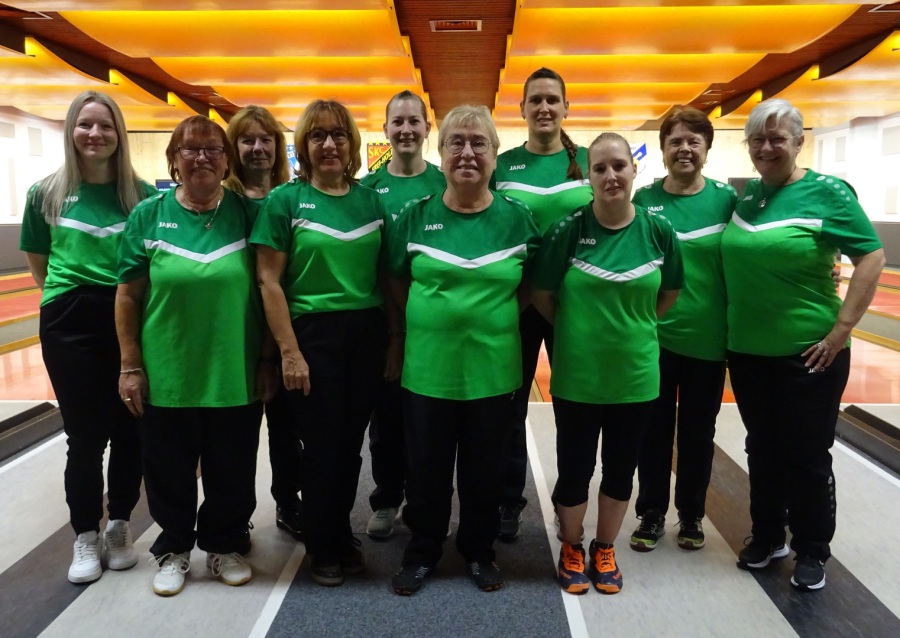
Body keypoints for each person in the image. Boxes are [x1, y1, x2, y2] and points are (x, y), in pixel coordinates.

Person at [722, 98, 884, 591]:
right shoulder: (749, 196)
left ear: (798, 142)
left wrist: (841, 330)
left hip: (810, 353)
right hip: (748, 352)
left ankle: (812, 548)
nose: (766, 148)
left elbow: (872, 257)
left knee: (808, 455)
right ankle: (769, 535)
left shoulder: (826, 192)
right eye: (757, 139)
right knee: (761, 447)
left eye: (777, 139)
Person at [116, 115, 275, 597]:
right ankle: (174, 549)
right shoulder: (148, 216)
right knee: (168, 469)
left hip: (233, 370)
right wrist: (130, 365)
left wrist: (267, 359)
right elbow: (128, 296)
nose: (201, 157)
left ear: (227, 161)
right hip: (168, 371)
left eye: (212, 149)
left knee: (233, 467)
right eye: (190, 149)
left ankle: (225, 544)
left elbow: (270, 289)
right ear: (173, 160)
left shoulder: (249, 214)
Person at [387, 105, 541, 596]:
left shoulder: (518, 219)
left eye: (479, 143)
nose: (467, 153)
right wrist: (427, 320)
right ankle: (422, 551)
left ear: (495, 155)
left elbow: (531, 287)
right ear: (441, 152)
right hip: (427, 373)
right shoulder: (415, 217)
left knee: (484, 473)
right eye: (456, 142)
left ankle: (478, 551)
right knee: (426, 472)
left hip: (493, 374)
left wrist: (488, 317)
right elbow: (396, 282)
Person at [532, 132, 683, 596]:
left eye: (619, 165)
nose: (611, 175)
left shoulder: (658, 231)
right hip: (578, 377)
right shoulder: (567, 230)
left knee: (621, 470)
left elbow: (669, 292)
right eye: (600, 168)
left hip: (636, 378)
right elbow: (542, 295)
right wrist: (578, 330)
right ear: (589, 177)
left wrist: (633, 327)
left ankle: (604, 548)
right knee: (575, 469)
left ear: (634, 169)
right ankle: (572, 545)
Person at [252, 100, 393, 587]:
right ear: (303, 146)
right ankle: (321, 543)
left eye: (338, 135)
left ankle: (339, 532)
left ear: (352, 143)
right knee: (321, 446)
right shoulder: (285, 201)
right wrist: (289, 352)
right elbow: (269, 282)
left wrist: (394, 339)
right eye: (317, 136)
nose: (329, 144)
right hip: (311, 335)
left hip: (365, 333)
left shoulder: (372, 201)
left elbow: (386, 278)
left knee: (350, 446)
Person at [19, 91, 155, 585]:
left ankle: (119, 525)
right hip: (69, 321)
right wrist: (68, 299)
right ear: (70, 131)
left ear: (119, 135)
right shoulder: (46, 194)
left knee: (129, 428)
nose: (94, 134)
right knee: (84, 436)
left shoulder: (141, 197)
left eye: (105, 126)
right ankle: (84, 533)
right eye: (85, 124)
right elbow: (39, 263)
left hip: (127, 317)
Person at [630, 107, 737, 552]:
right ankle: (651, 512)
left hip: (707, 341)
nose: (684, 149)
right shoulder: (643, 201)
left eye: (694, 141)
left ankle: (691, 514)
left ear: (707, 149)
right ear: (663, 150)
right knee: (652, 432)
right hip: (654, 338)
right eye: (675, 141)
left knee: (698, 434)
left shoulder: (727, 200)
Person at [492, 68, 592, 540]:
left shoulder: (589, 162)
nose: (544, 107)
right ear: (523, 109)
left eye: (553, 99)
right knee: (510, 408)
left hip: (575, 306)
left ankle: (569, 502)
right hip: (517, 304)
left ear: (566, 107)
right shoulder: (503, 166)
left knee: (574, 407)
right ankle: (508, 500)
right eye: (535, 100)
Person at [360, 90, 445, 540]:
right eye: (398, 122)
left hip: (433, 323)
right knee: (387, 420)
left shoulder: (446, 183)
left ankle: (425, 501)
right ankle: (387, 499)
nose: (407, 129)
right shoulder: (368, 190)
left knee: (429, 421)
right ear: (386, 130)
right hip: (383, 324)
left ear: (428, 128)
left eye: (415, 121)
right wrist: (395, 331)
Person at [224, 105, 303, 542]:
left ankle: (288, 503)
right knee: (236, 434)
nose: (257, 148)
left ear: (278, 146)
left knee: (286, 429)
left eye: (265, 140)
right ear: (233, 148)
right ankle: (234, 517)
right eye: (247, 140)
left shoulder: (289, 200)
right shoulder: (224, 203)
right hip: (238, 332)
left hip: (285, 331)